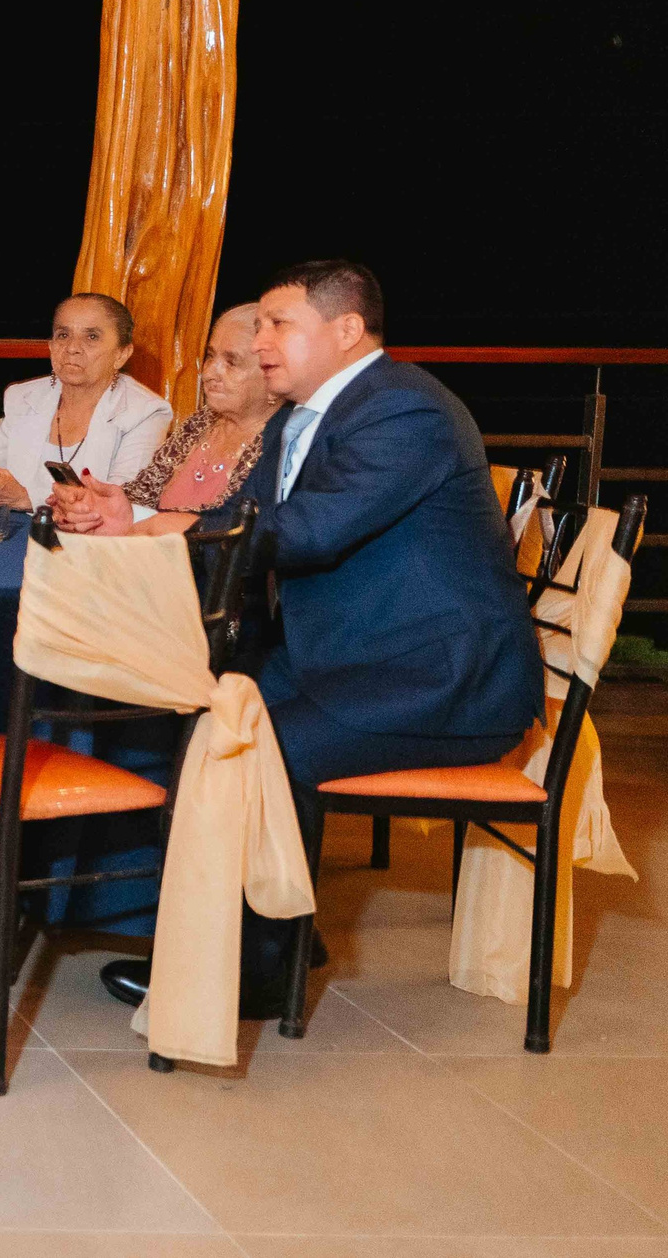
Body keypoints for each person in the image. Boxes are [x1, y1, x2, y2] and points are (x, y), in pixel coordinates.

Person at [100, 260, 543, 1017]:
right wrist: (131, 516)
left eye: (279, 324)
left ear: (345, 331)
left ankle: (262, 971)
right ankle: (256, 933)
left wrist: (168, 526)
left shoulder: (406, 409)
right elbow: (243, 512)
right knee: (200, 712)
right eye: (261, 324)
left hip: (441, 677)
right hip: (347, 657)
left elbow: (310, 530)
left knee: (255, 749)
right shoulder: (306, 416)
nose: (262, 339)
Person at [55, 304, 278, 536]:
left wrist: (149, 527)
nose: (210, 373)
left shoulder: (280, 445)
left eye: (231, 362)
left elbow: (238, 536)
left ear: (274, 371)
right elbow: (140, 497)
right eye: (211, 356)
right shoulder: (202, 422)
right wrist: (94, 509)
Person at [0, 292, 172, 509]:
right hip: (14, 530)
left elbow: (123, 500)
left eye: (91, 337)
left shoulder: (145, 411)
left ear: (122, 354)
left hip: (88, 540)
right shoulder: (24, 398)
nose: (72, 348)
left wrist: (27, 498)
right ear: (51, 346)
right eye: (63, 335)